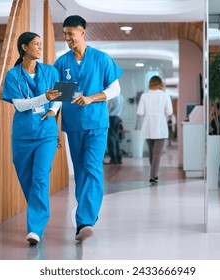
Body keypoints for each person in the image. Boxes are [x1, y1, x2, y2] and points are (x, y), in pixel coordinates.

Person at [53, 15, 123, 242]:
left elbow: (115, 89)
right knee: (81, 171)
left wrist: (92, 98)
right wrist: (52, 118)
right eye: (64, 35)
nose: (67, 39)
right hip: (73, 125)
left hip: (96, 124)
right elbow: (57, 97)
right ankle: (84, 218)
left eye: (70, 35)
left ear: (82, 33)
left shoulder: (101, 59)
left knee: (93, 167)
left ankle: (85, 220)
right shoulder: (62, 63)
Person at [2, 31, 62, 245]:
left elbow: (60, 97)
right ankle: (39, 214)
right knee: (27, 180)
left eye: (41, 43)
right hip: (22, 135)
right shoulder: (13, 75)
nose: (40, 47)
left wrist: (53, 110)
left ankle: (35, 228)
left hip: (46, 133)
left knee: (40, 178)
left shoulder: (50, 71)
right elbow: (20, 105)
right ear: (24, 47)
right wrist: (45, 98)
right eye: (36, 44)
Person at [137, 75, 173, 185]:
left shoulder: (144, 96)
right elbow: (169, 112)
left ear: (150, 83)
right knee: (157, 152)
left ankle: (154, 174)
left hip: (148, 125)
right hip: (160, 125)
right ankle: (153, 175)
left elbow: (140, 112)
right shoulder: (165, 95)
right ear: (160, 83)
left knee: (152, 152)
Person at [105, 94, 124, 165]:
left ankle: (113, 159)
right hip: (117, 118)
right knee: (115, 138)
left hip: (111, 118)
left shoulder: (112, 96)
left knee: (111, 138)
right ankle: (118, 158)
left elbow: (108, 107)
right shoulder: (121, 96)